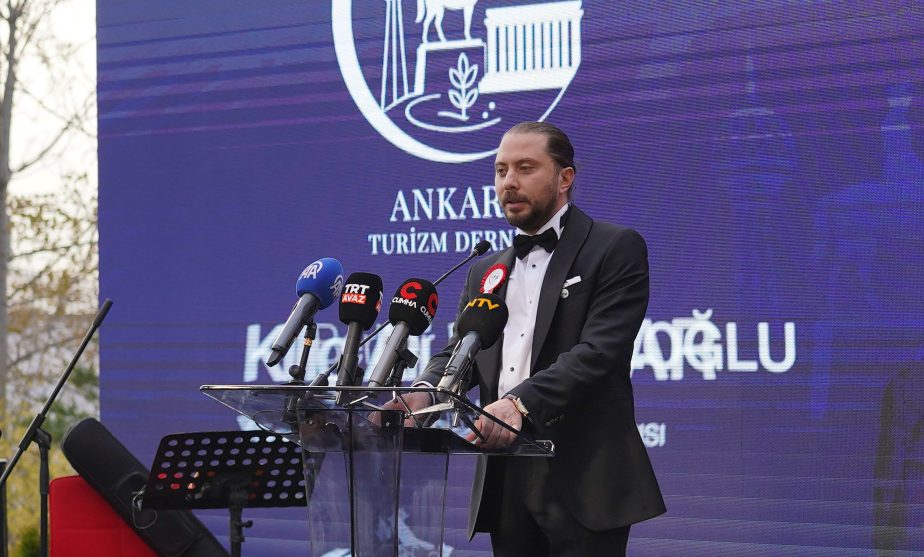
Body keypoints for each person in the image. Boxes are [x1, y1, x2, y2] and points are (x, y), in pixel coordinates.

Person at [397, 121, 665, 556]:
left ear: (564, 178)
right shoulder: (484, 271)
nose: (509, 183)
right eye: (501, 170)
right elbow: (463, 350)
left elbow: (599, 352)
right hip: (505, 473)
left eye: (525, 168)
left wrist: (518, 403)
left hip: (585, 475)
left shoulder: (614, 247)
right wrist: (425, 392)